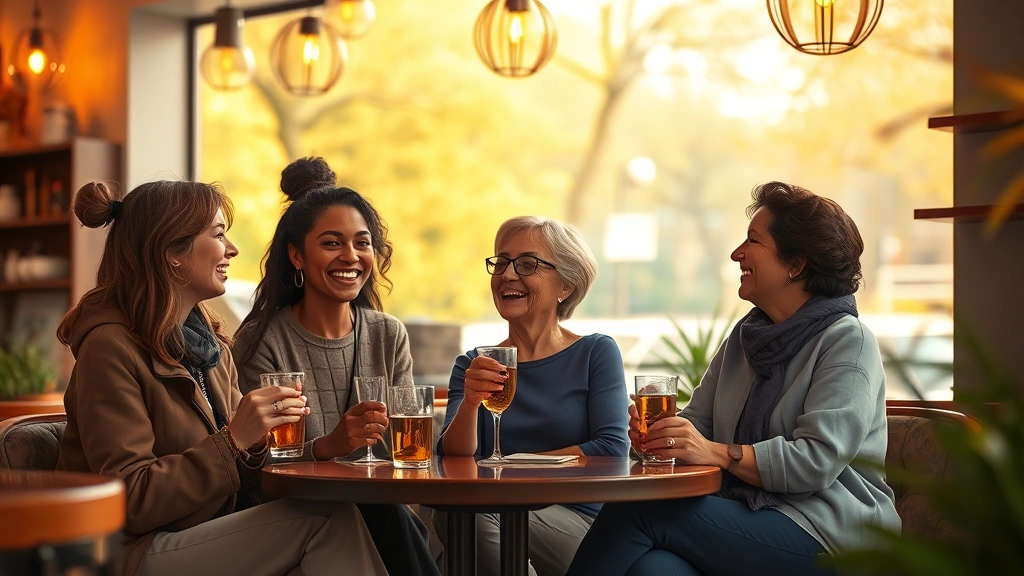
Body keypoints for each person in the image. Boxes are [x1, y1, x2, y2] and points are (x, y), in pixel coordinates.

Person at [566, 182, 901, 575]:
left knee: (642, 508)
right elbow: (698, 424)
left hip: (834, 537)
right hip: (747, 516)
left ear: (796, 264)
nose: (736, 254)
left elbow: (816, 461)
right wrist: (662, 438)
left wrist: (715, 452)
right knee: (654, 569)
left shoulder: (848, 342)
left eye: (753, 241)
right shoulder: (746, 339)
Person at [56, 180, 387, 576]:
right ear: (171, 252)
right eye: (217, 235)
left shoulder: (208, 346)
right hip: (127, 548)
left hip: (200, 529)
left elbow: (244, 473)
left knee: (345, 518)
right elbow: (131, 500)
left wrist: (305, 447)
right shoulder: (109, 349)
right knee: (327, 521)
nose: (232, 249)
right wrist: (233, 440)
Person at [233, 157, 439, 575]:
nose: (351, 256)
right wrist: (331, 445)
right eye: (331, 243)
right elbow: (260, 469)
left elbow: (404, 456)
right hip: (294, 518)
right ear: (296, 255)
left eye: (362, 243)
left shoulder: (387, 334)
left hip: (382, 512)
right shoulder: (262, 341)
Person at [438, 215, 630, 576]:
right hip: (493, 513)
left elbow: (610, 449)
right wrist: (470, 402)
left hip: (578, 519)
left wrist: (510, 469)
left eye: (527, 264)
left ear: (566, 286)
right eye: (501, 262)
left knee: (466, 524)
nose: (508, 275)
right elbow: (453, 457)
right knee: (459, 521)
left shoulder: (594, 352)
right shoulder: (473, 363)